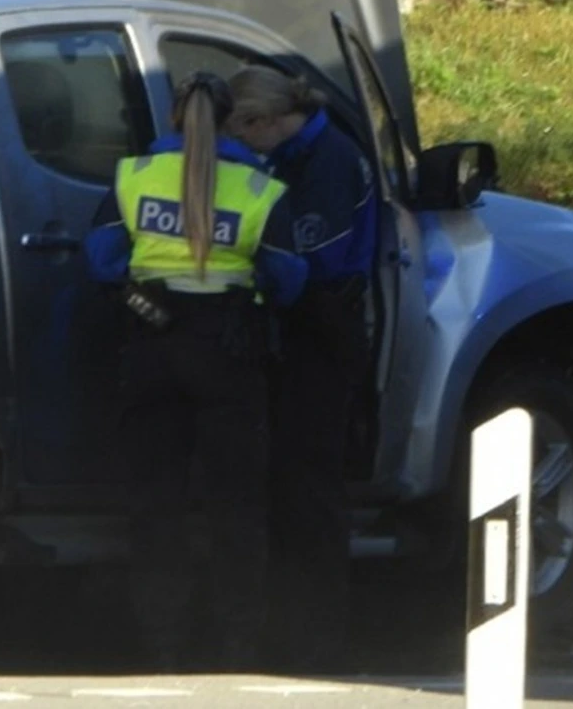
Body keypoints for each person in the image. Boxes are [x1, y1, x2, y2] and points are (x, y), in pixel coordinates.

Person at [85, 71, 308, 671]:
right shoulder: (261, 189)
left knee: (155, 506)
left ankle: (162, 646)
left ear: (174, 117)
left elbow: (101, 259)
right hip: (229, 353)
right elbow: (289, 278)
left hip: (151, 347)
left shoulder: (133, 177)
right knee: (236, 507)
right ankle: (237, 647)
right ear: (232, 118)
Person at [227, 64, 378, 671]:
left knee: (311, 489)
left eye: (240, 136)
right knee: (292, 486)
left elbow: (312, 258)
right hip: (308, 326)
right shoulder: (301, 153)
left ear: (263, 121)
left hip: (323, 327)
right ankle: (295, 631)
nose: (238, 151)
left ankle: (318, 640)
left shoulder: (328, 162)